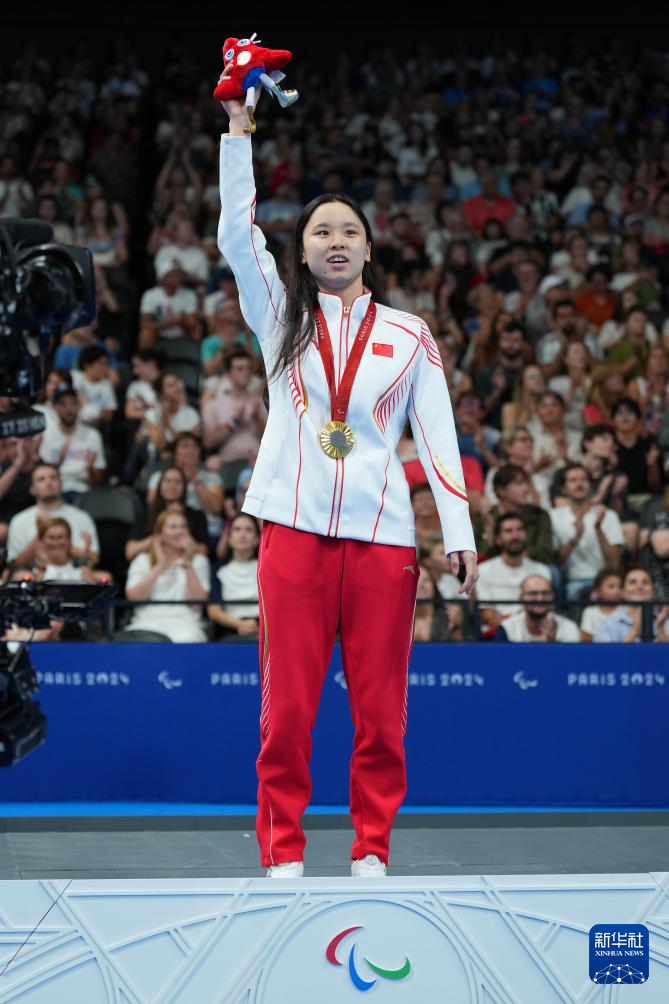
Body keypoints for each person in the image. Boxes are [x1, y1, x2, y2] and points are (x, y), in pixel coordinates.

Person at [217, 82, 477, 879]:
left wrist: (458, 535)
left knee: (381, 715)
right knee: (286, 712)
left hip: (383, 542)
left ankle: (371, 848)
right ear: (300, 252)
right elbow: (235, 236)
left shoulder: (409, 333)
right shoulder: (279, 318)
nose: (335, 241)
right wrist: (238, 130)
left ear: (368, 249)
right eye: (320, 231)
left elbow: (438, 436)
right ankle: (281, 852)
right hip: (292, 535)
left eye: (349, 231)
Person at [125, 510, 210, 642]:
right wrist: (159, 566)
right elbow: (134, 598)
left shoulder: (199, 561)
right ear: (159, 533)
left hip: (185, 624)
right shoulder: (142, 560)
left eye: (183, 527)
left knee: (188, 639)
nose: (179, 532)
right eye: (173, 527)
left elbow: (198, 603)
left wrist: (187, 563)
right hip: (146, 623)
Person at [550, 463, 624, 599]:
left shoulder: (608, 515)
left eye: (584, 480)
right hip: (572, 582)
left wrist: (598, 528)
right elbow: (556, 561)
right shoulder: (554, 517)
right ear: (563, 488)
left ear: (590, 486)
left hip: (604, 581)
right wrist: (576, 536)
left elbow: (614, 562)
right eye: (573, 480)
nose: (579, 484)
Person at [7, 463, 99, 569]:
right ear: (32, 489)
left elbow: (94, 560)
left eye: (53, 478)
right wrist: (38, 542)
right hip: (34, 576)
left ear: (61, 484)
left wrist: (65, 547)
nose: (48, 482)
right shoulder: (19, 520)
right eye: (41, 479)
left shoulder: (82, 517)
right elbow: (13, 564)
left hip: (74, 576)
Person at [475, 513, 551, 628]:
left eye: (519, 530)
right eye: (508, 531)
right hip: (498, 633)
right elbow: (488, 615)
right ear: (498, 539)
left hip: (534, 631)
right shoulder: (483, 570)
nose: (515, 536)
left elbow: (545, 611)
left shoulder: (542, 571)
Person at [125, 465, 208, 562]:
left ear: (185, 487)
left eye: (178, 482)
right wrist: (158, 538)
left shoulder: (197, 515)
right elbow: (129, 552)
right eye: (168, 481)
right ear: (160, 486)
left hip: (184, 563)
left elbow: (204, 551)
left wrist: (186, 540)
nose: (172, 486)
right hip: (153, 562)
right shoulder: (147, 514)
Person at [38, 384, 106, 500]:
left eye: (73, 403)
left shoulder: (93, 435)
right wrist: (58, 462)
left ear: (79, 405)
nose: (68, 409)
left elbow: (97, 482)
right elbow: (42, 478)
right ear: (54, 407)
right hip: (56, 492)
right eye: (62, 404)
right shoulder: (46, 435)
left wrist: (89, 468)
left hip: (84, 493)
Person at [207, 513, 261, 638]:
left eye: (249, 530)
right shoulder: (219, 568)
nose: (242, 534)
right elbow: (213, 610)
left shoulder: (266, 567)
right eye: (237, 529)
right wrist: (239, 624)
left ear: (257, 539)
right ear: (229, 538)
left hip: (264, 629)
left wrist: (257, 625)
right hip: (230, 630)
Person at [495, 574, 580, 642]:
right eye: (533, 593)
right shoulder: (507, 629)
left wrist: (552, 644)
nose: (540, 599)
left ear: (553, 596)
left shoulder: (568, 628)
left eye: (545, 593)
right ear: (521, 597)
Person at [594, 566, 668, 643]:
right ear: (622, 591)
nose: (639, 587)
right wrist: (634, 631)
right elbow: (603, 651)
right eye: (633, 582)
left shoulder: (666, 623)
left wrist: (661, 629)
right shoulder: (608, 624)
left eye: (645, 582)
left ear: (653, 590)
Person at [579, 568, 623, 642]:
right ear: (598, 590)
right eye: (611, 586)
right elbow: (585, 638)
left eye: (620, 587)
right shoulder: (590, 611)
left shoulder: (626, 610)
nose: (617, 591)